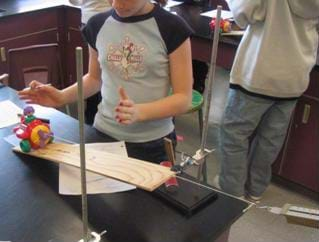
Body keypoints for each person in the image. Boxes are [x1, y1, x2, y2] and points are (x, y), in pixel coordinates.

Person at [18, 0, 193, 164]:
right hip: (103, 134)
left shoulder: (172, 28)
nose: (116, 4)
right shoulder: (97, 24)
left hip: (152, 143)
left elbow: (183, 98)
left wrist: (140, 112)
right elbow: (94, 78)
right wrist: (62, 97)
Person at [214, 0, 319, 200]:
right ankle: (255, 189)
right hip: (294, 76)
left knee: (234, 134)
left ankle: (232, 191)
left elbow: (244, 15)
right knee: (270, 139)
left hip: (259, 71)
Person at [69, 0, 112, 124]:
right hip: (110, 18)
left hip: (89, 19)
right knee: (105, 72)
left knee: (97, 71)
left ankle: (91, 116)